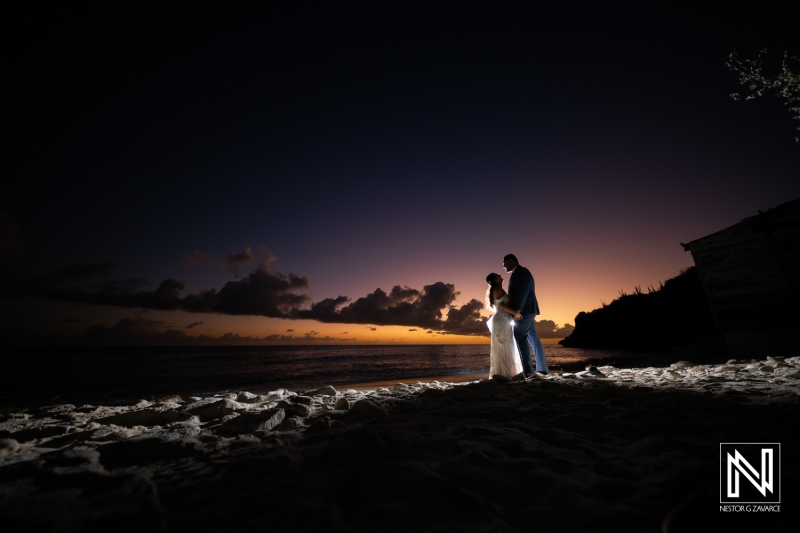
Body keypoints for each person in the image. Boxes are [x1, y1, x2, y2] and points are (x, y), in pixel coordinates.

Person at [503, 253, 548, 375]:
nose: (503, 265)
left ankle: (528, 370)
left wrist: (517, 310)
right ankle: (542, 368)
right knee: (533, 338)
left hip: (524, 311)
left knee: (520, 337)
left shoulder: (522, 272)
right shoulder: (516, 273)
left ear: (512, 261)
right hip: (527, 310)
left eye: (505, 262)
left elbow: (523, 291)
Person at [485, 272, 523, 379]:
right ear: (495, 279)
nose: (501, 275)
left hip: (505, 319)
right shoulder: (496, 289)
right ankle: (504, 374)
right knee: (503, 345)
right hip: (501, 320)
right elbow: (501, 305)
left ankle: (507, 373)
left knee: (507, 345)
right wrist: (515, 312)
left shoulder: (499, 289)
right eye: (498, 275)